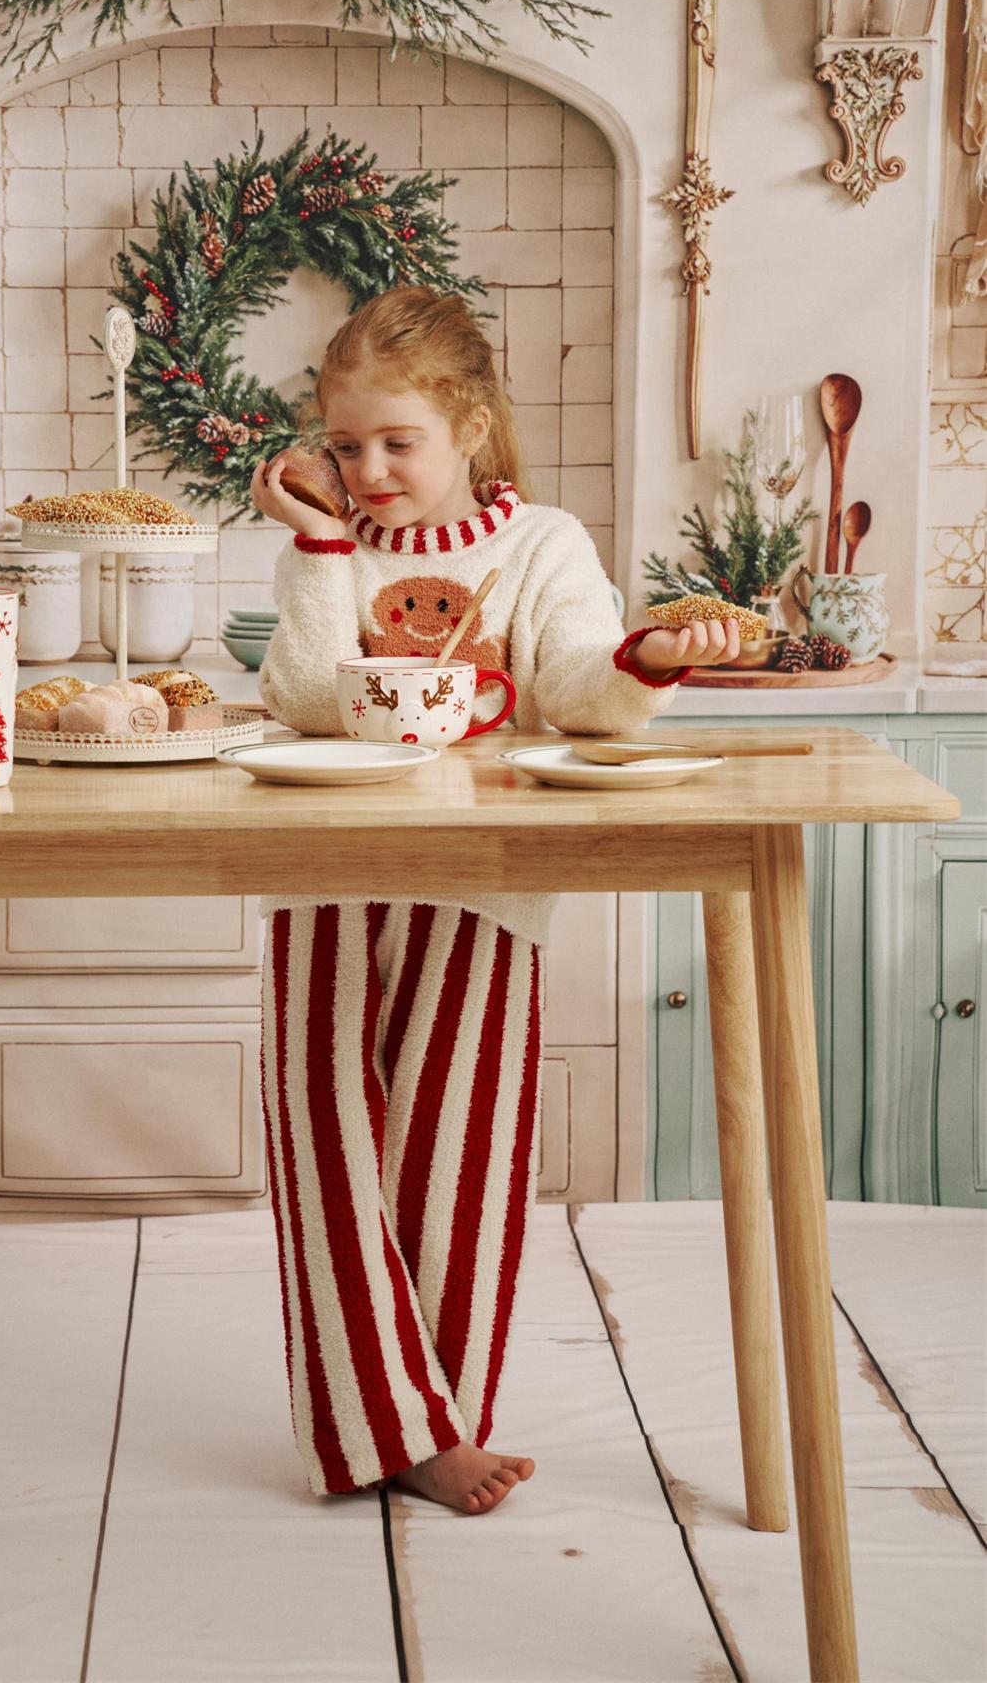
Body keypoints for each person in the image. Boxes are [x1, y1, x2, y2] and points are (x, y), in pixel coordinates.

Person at [250, 286, 742, 1517]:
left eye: (395, 440)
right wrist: (315, 542)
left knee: (455, 1155)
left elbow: (574, 680)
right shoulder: (326, 545)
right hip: (321, 874)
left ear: (468, 423)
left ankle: (441, 1419)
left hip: (482, 879)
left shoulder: (542, 546)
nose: (366, 469)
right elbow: (309, 695)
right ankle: (381, 1422)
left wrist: (644, 662)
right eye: (344, 441)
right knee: (327, 1154)